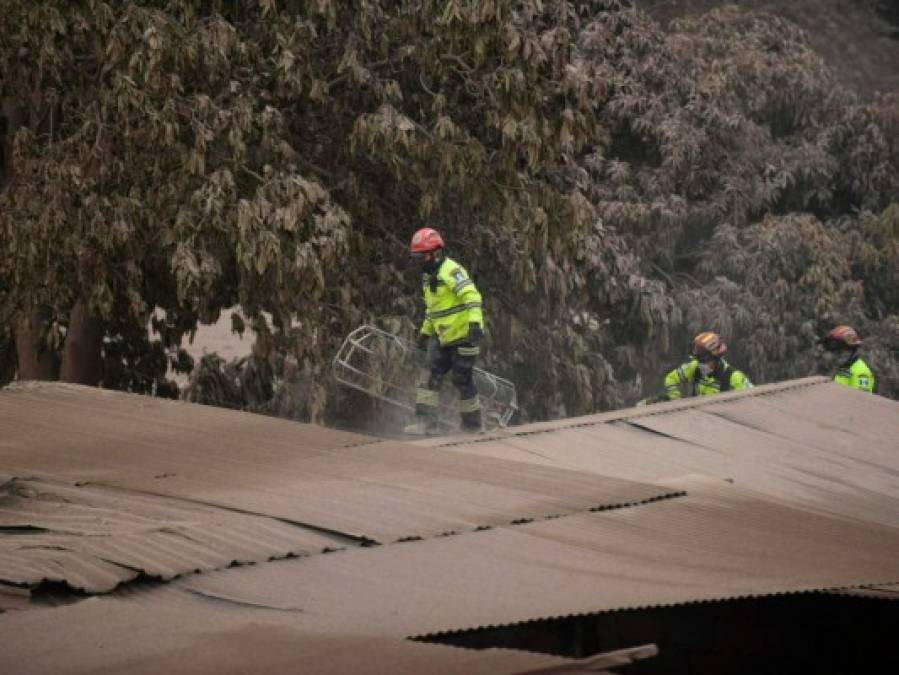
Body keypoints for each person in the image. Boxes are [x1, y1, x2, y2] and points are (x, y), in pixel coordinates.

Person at [404, 227, 485, 434]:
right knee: (429, 376)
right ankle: (426, 423)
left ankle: (473, 425)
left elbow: (472, 296)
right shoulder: (427, 276)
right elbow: (434, 309)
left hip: (463, 336)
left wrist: (475, 324)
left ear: (435, 254)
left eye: (421, 257)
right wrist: (424, 333)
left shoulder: (451, 270)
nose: (418, 262)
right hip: (441, 337)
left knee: (462, 380)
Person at [639, 331, 752, 405]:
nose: (700, 364)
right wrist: (676, 399)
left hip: (722, 423)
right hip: (697, 416)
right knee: (644, 404)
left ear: (716, 358)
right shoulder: (694, 367)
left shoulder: (734, 377)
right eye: (698, 360)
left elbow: (753, 400)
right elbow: (671, 379)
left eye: (704, 361)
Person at [816, 325, 874, 393]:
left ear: (852, 349)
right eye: (835, 352)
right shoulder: (845, 368)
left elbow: (862, 400)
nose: (837, 356)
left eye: (841, 351)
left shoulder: (861, 373)